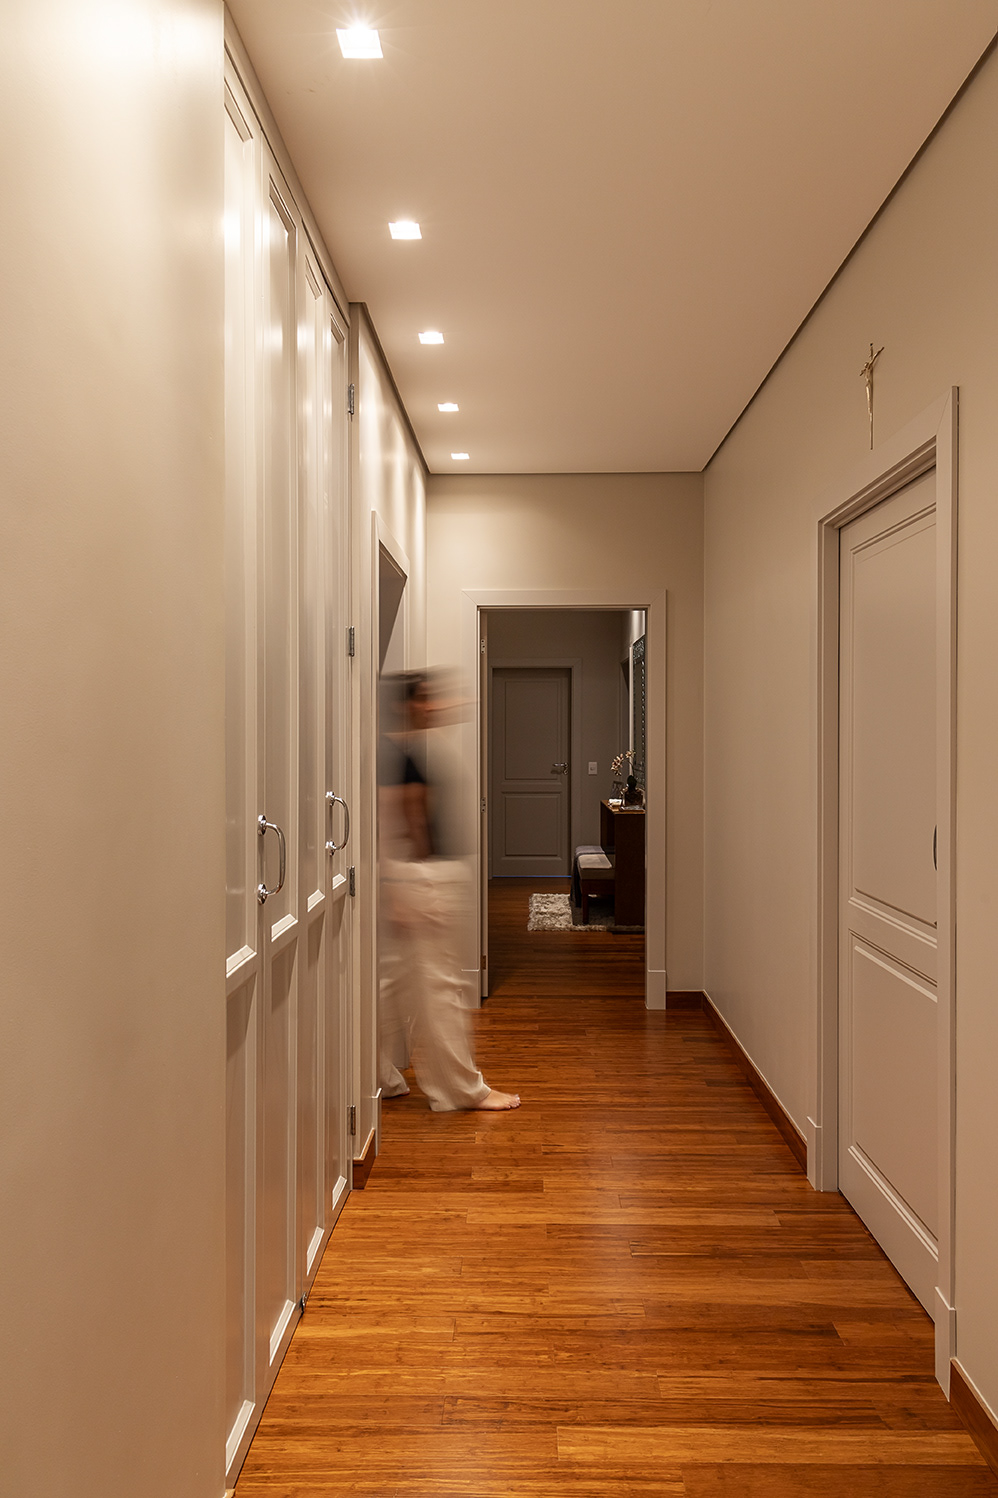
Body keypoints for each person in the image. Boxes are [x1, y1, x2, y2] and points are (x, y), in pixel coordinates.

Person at [378, 671, 520, 1112]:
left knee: (388, 987)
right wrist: (401, 892)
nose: (433, 706)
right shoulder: (394, 756)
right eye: (424, 699)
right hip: (417, 882)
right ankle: (461, 1090)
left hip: (415, 880)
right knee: (440, 993)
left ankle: (377, 1075)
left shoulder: (404, 749)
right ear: (404, 705)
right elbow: (390, 827)